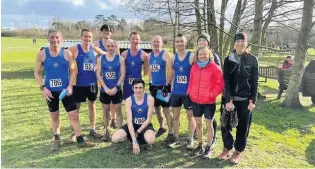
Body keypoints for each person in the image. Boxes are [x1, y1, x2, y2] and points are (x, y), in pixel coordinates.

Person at [34, 29, 94, 151]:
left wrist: (70, 86)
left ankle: (80, 140)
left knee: (73, 115)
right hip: (50, 92)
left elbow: (73, 71)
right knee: (54, 116)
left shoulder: (67, 53)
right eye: (52, 37)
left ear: (61, 39)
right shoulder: (42, 54)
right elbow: (37, 73)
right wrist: (43, 88)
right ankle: (56, 139)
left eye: (57, 37)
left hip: (65, 91)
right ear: (48, 39)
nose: (54, 40)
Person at [219, 32, 258, 164]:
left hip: (245, 100)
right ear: (234, 43)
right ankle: (227, 148)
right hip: (229, 98)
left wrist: (253, 100)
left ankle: (237, 151)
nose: (240, 43)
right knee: (225, 125)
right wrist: (229, 100)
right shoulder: (228, 59)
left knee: (243, 127)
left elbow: (254, 82)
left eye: (243, 41)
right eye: (238, 41)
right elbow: (227, 81)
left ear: (246, 43)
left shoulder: (252, 60)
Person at [68, 28, 106, 140]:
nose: (87, 39)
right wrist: (72, 67)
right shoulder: (75, 49)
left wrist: (98, 65)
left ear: (91, 38)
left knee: (91, 106)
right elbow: (64, 55)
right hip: (78, 84)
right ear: (81, 37)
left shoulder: (94, 49)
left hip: (92, 83)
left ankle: (92, 129)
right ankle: (75, 132)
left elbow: (106, 55)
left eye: (89, 37)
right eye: (85, 36)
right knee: (76, 108)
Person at [187, 46, 224, 158]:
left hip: (208, 102)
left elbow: (220, 84)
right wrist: (190, 92)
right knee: (198, 124)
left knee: (209, 125)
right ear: (197, 56)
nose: (202, 56)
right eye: (200, 54)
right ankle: (200, 145)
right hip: (196, 101)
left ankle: (208, 148)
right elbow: (191, 81)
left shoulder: (215, 67)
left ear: (209, 55)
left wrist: (211, 95)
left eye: (205, 54)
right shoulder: (194, 67)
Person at [111, 79, 155, 155]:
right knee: (114, 139)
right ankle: (131, 139)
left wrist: (137, 132)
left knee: (151, 140)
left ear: (144, 88)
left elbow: (148, 119)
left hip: (145, 125)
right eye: (136, 88)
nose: (138, 90)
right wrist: (134, 142)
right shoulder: (129, 100)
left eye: (140, 88)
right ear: (133, 88)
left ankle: (143, 139)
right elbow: (129, 121)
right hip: (132, 125)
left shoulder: (150, 99)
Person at [168, 34, 196, 149]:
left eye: (181, 41)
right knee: (175, 116)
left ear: (186, 43)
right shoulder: (173, 57)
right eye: (177, 41)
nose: (179, 43)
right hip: (176, 92)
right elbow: (172, 72)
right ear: (175, 43)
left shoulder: (191, 56)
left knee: (191, 117)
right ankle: (176, 138)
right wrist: (168, 84)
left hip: (188, 93)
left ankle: (190, 139)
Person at [96, 39, 126, 141]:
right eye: (108, 46)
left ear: (115, 47)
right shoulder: (100, 59)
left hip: (116, 90)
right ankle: (107, 132)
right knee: (105, 111)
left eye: (112, 46)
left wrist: (116, 87)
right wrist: (104, 87)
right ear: (105, 47)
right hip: (105, 90)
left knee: (118, 111)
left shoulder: (120, 59)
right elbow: (98, 74)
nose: (110, 48)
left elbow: (122, 74)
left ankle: (120, 133)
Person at [197, 32, 221, 147]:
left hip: (209, 93)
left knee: (210, 118)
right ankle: (200, 138)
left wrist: (212, 92)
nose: (202, 42)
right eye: (200, 40)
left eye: (204, 40)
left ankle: (213, 137)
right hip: (198, 94)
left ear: (208, 42)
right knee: (200, 119)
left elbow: (218, 75)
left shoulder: (214, 56)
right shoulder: (196, 55)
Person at [94, 24, 120, 129]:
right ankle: (106, 120)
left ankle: (113, 119)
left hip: (113, 74)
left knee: (113, 100)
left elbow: (117, 57)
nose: (106, 32)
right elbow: (95, 53)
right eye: (104, 30)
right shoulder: (97, 43)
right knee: (104, 101)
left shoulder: (115, 44)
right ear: (101, 32)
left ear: (111, 32)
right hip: (102, 74)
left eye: (108, 30)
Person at [148, 35, 173, 141]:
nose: (156, 43)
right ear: (151, 43)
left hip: (163, 87)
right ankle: (162, 127)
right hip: (153, 87)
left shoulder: (165, 54)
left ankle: (171, 132)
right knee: (157, 109)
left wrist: (167, 83)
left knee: (166, 110)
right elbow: (149, 70)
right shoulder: (149, 55)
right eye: (154, 41)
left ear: (161, 43)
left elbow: (171, 70)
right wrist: (150, 81)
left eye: (158, 42)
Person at [121, 32, 149, 100]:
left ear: (140, 41)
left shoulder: (144, 55)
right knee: (128, 104)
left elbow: (147, 69)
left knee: (138, 104)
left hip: (138, 84)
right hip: (127, 83)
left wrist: (141, 77)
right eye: (133, 39)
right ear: (129, 40)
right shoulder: (124, 54)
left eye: (137, 39)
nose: (134, 41)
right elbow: (120, 69)